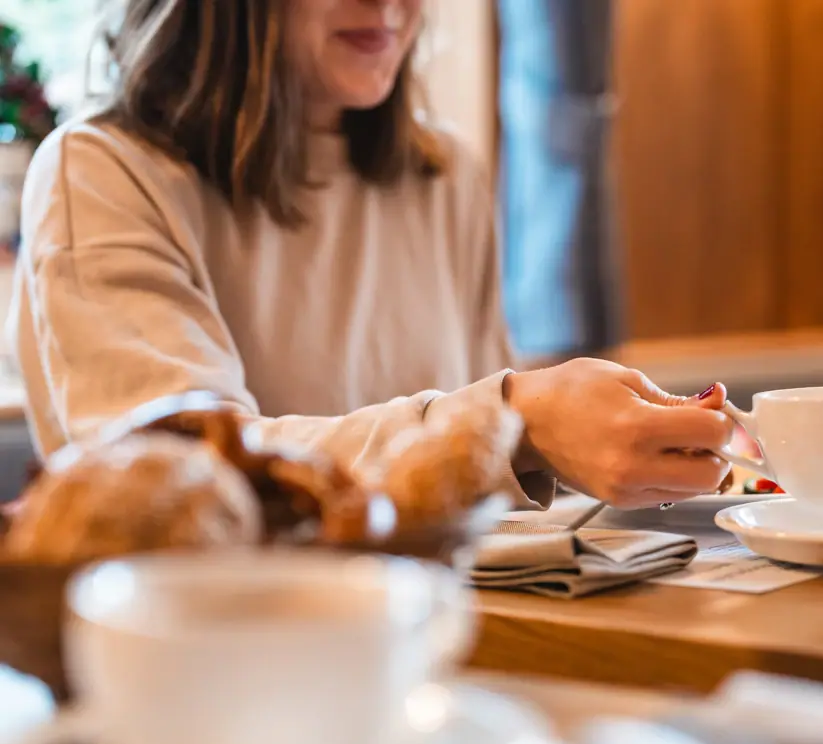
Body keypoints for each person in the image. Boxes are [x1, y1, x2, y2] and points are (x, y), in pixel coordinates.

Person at [7, 0, 731, 510]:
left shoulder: (446, 176)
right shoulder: (101, 171)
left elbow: (472, 496)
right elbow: (186, 475)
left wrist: (568, 442)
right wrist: (510, 422)